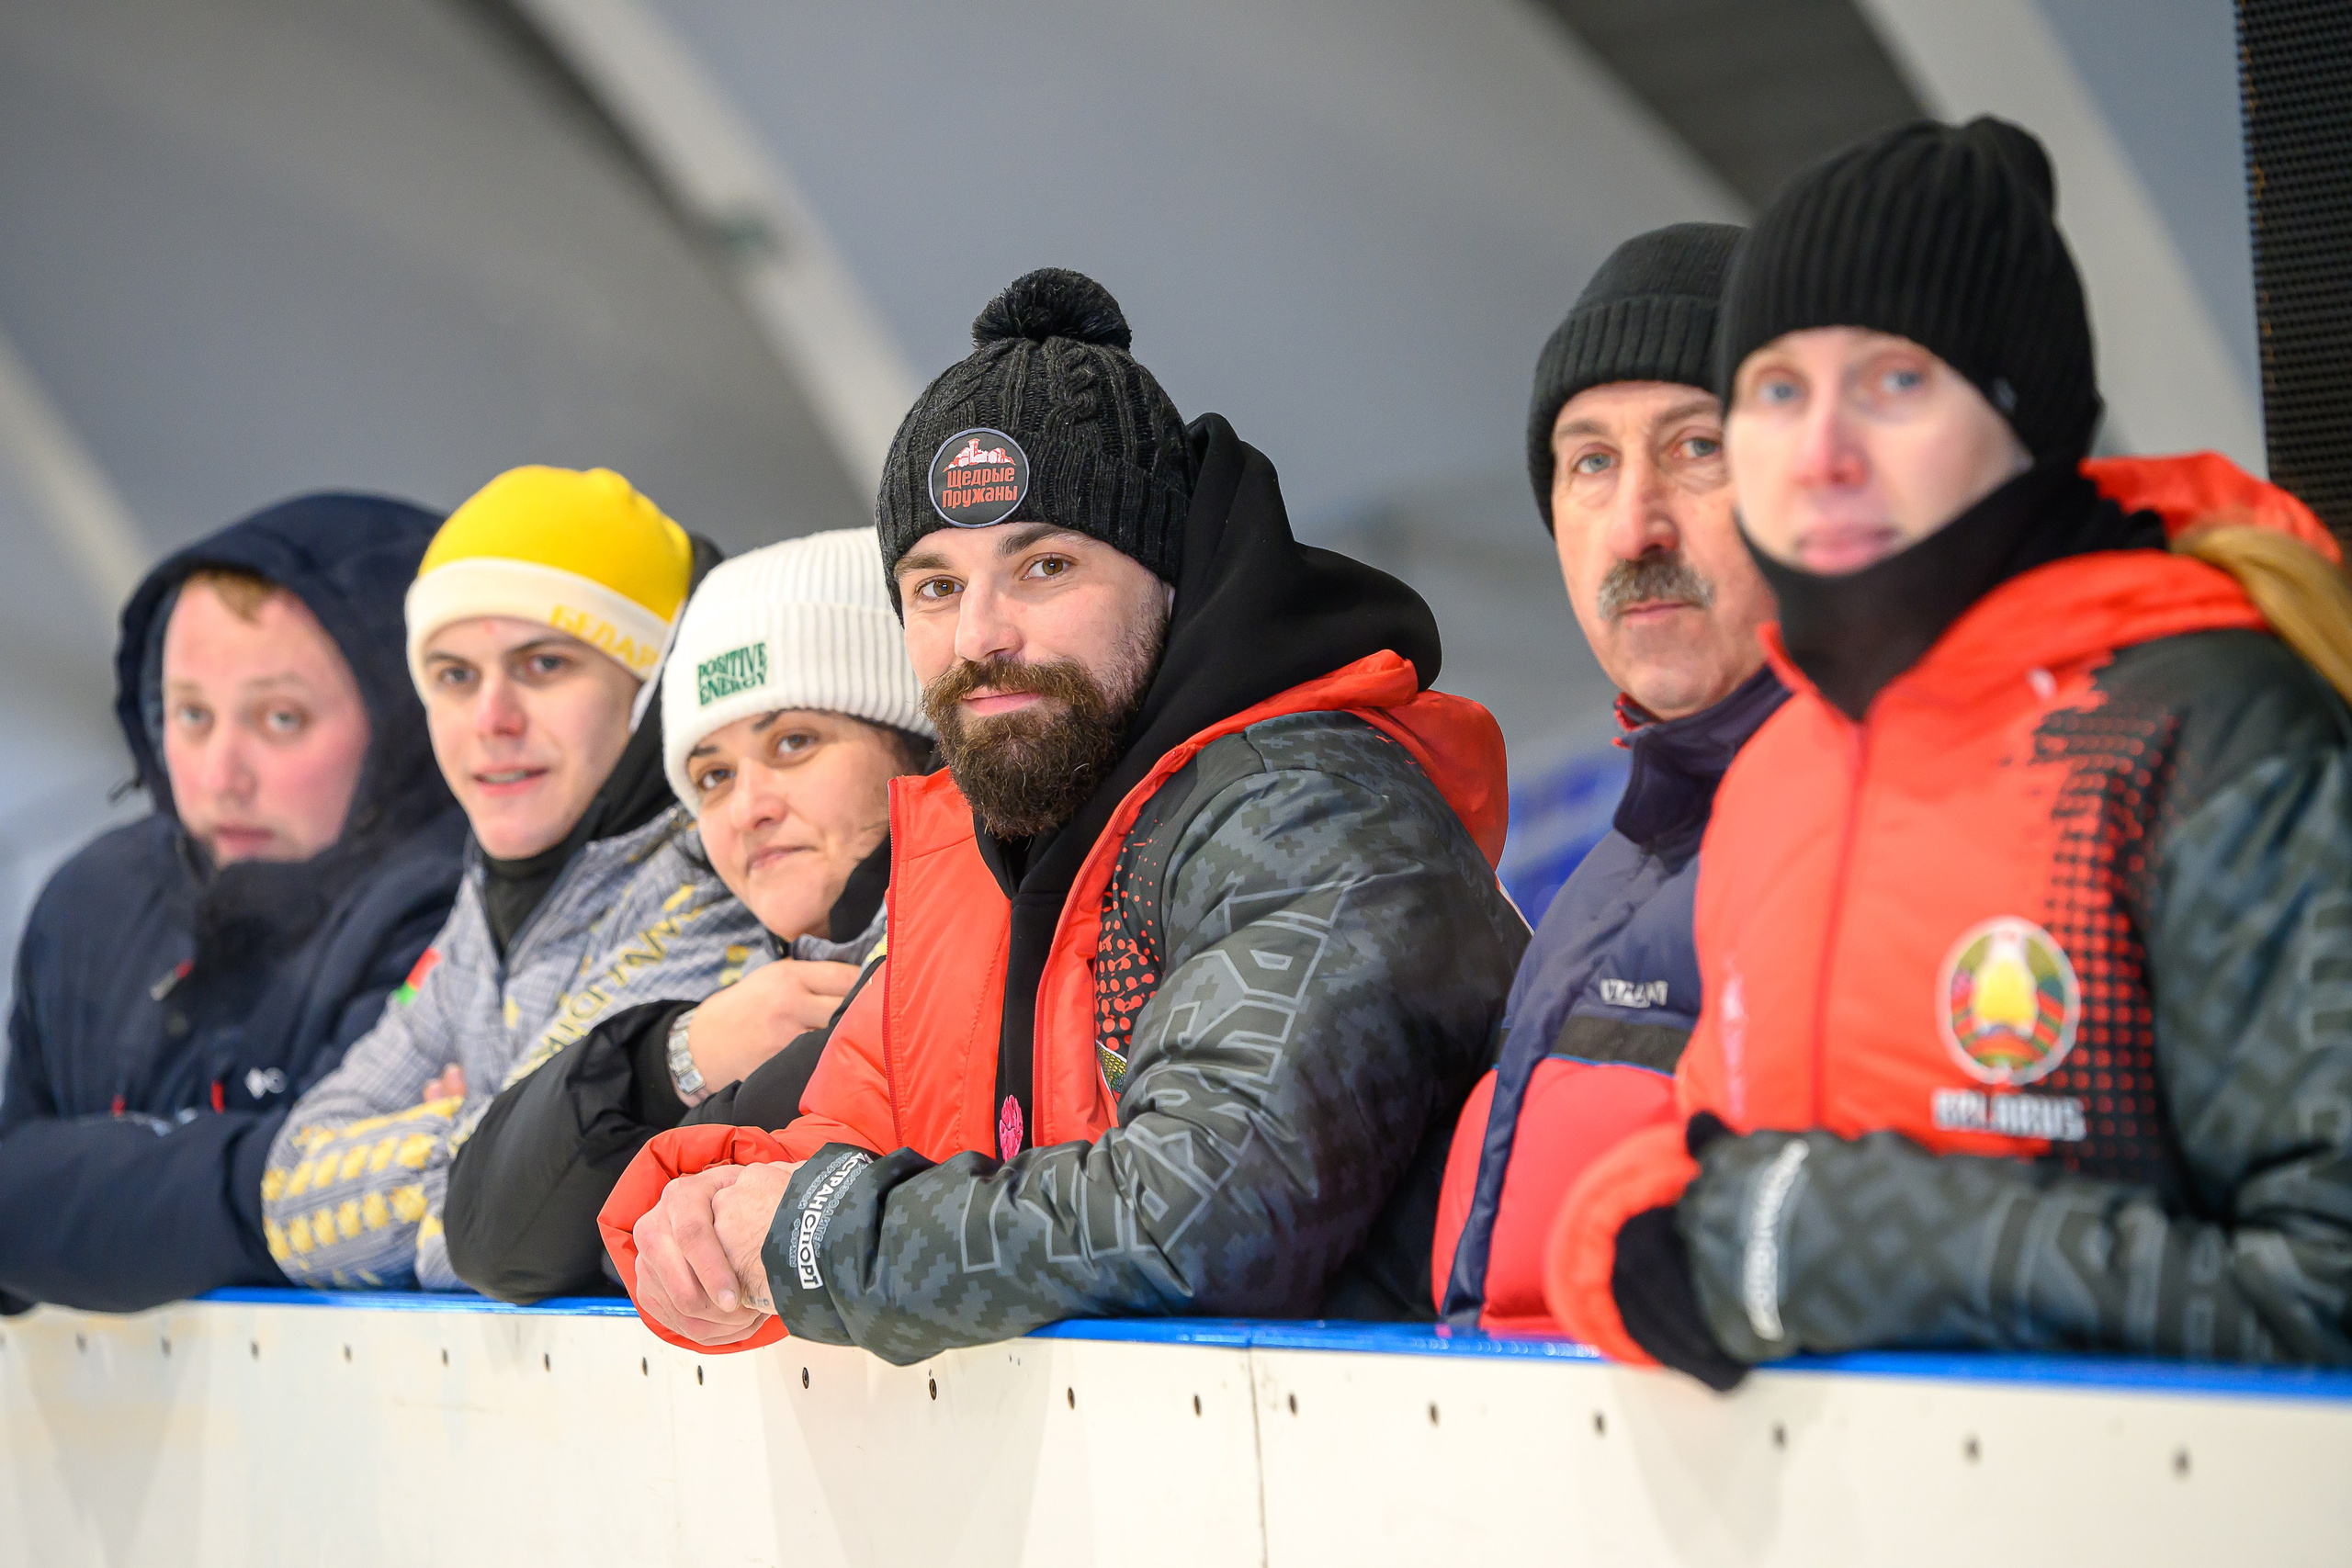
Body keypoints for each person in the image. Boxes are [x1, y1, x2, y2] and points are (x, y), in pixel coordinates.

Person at [1545, 117, 2352, 1386]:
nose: (1821, 452)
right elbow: (1706, 1172)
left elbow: (2326, 1288)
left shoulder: (2207, 734)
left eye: (1895, 381)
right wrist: (1613, 1236)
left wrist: (1828, 1244)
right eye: (1775, 391)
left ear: (2024, 414)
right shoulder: (1786, 771)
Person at [602, 268, 1526, 1362]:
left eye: (1043, 565)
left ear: (1169, 578)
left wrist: (810, 1239)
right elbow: (826, 1150)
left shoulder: (1305, 808)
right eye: (935, 586)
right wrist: (695, 1221)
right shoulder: (985, 848)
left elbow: (1203, 1219)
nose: (980, 632)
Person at [261, 466, 767, 1290]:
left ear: (652, 693)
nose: (491, 719)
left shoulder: (718, 887)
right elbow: (290, 1199)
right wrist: (481, 1132)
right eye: (455, 676)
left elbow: (499, 1219)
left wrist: (448, 1141)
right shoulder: (484, 907)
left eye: (543, 665)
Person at [1430, 222, 1784, 1329]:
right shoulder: (1613, 872)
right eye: (1590, 461)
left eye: (1696, 447)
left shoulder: (1875, 838)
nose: (1635, 527)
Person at [0, 495, 466, 1313]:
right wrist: (261, 1182)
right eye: (189, 715)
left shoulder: (464, 909)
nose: (220, 774)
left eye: (280, 719)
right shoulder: (91, 905)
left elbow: (349, 1222)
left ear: (408, 719)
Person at [442, 528, 933, 1303]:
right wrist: (670, 1057)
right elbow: (490, 1234)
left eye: (795, 742)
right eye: (711, 775)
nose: (747, 808)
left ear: (917, 740)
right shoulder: (762, 982)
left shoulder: (972, 950)